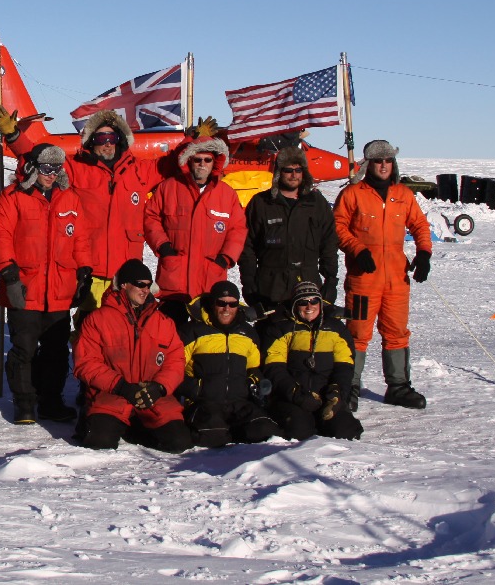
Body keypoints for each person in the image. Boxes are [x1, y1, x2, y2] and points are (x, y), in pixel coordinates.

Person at [0, 105, 164, 307]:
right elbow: (40, 160)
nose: (107, 144)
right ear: (91, 140)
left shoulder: (140, 170)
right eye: (101, 139)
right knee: (89, 328)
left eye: (112, 138)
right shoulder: (76, 168)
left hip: (126, 273)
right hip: (92, 270)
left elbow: (180, 164)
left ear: (120, 139)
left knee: (126, 330)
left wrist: (197, 142)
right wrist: (14, 136)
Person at [0, 144, 93, 424]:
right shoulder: (12, 198)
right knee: (24, 347)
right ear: (33, 168)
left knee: (56, 348)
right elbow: (1, 236)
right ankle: (24, 403)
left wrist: (84, 271)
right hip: (25, 286)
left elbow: (80, 239)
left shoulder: (69, 199)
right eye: (46, 167)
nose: (51, 173)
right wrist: (9, 273)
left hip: (59, 288)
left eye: (56, 168)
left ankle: (50, 400)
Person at [334, 139, 432, 411]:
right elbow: (338, 225)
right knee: (358, 332)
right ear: (369, 164)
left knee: (397, 332)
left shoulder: (403, 194)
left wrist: (424, 253)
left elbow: (420, 225)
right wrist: (356, 249)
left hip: (396, 278)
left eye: (388, 160)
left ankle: (398, 386)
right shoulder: (353, 194)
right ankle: (349, 386)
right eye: (378, 161)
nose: (384, 165)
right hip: (365, 277)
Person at [73, 259, 192, 452]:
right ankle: (97, 421)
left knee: (179, 442)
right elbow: (85, 363)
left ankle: (133, 426)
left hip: (151, 396)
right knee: (99, 441)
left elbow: (176, 361)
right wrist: (120, 386)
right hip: (112, 394)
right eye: (140, 285)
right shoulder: (98, 319)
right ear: (124, 285)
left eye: (148, 285)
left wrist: (159, 387)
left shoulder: (163, 322)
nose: (145, 290)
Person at [143, 118, 246, 324]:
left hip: (210, 281)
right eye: (197, 159)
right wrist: (163, 247)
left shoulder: (227, 194)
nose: (202, 164)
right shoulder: (169, 187)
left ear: (214, 162)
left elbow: (237, 228)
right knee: (171, 334)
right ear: (189, 160)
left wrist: (225, 258)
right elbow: (150, 217)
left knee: (206, 338)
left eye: (207, 160)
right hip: (174, 281)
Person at [238, 145, 339, 322]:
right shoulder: (261, 203)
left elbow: (329, 243)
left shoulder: (317, 204)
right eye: (288, 170)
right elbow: (247, 246)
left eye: (298, 170)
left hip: (308, 286)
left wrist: (330, 279)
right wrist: (249, 283)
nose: (294, 175)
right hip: (270, 288)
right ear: (278, 172)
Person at [176, 280, 281, 448]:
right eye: (221, 303)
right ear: (213, 304)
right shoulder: (192, 331)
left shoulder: (247, 333)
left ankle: (234, 431)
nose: (227, 309)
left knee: (266, 430)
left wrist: (256, 382)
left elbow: (253, 367)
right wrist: (197, 389)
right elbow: (174, 371)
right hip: (204, 402)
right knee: (213, 437)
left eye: (232, 304)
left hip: (238, 402)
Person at [262, 281, 363, 441]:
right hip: (293, 397)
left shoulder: (336, 329)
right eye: (303, 302)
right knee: (298, 430)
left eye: (314, 301)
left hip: (326, 396)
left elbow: (345, 366)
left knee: (345, 431)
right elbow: (274, 368)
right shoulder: (281, 329)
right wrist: (295, 394)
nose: (309, 307)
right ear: (295, 304)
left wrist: (337, 393)